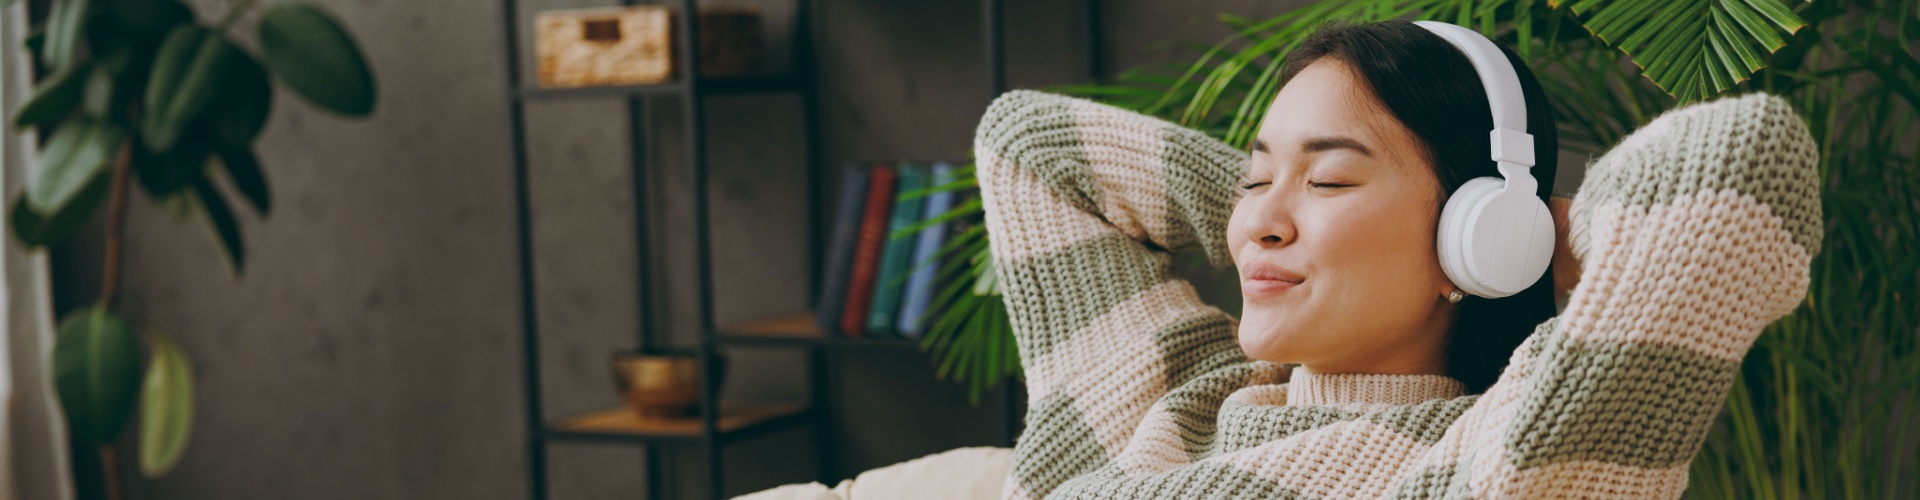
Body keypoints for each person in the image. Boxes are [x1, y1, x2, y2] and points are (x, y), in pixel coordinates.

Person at [975, 19, 1821, 498]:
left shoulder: (1506, 456)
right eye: (1254, 174)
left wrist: (1520, 236)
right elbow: (1029, 150)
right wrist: (1274, 211)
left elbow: (1741, 169)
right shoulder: (1172, 388)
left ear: (1473, 232)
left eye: (1333, 179)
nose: (1258, 217)